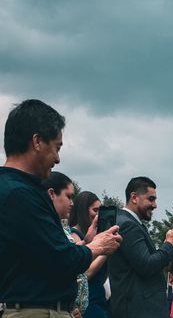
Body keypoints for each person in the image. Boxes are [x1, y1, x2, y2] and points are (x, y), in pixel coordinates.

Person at [0, 99, 121, 318]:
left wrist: (85, 242)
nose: (57, 158)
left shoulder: (15, 189)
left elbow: (40, 254)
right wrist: (97, 246)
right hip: (37, 312)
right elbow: (61, 259)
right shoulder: (20, 194)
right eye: (56, 147)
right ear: (37, 141)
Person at [108, 176, 173, 318]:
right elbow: (147, 265)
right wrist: (169, 244)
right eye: (151, 199)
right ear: (134, 197)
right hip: (138, 310)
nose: (155, 205)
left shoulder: (129, 223)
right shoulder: (127, 225)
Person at [42, 172, 89, 317]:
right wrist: (100, 247)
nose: (72, 202)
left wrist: (87, 242)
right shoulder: (44, 226)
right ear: (51, 194)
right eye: (68, 196)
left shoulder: (62, 227)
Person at [69, 191, 110, 318]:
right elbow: (86, 273)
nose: (98, 215)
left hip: (100, 298)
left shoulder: (94, 238)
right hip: (87, 303)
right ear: (82, 210)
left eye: (100, 211)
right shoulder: (74, 235)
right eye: (95, 210)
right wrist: (105, 250)